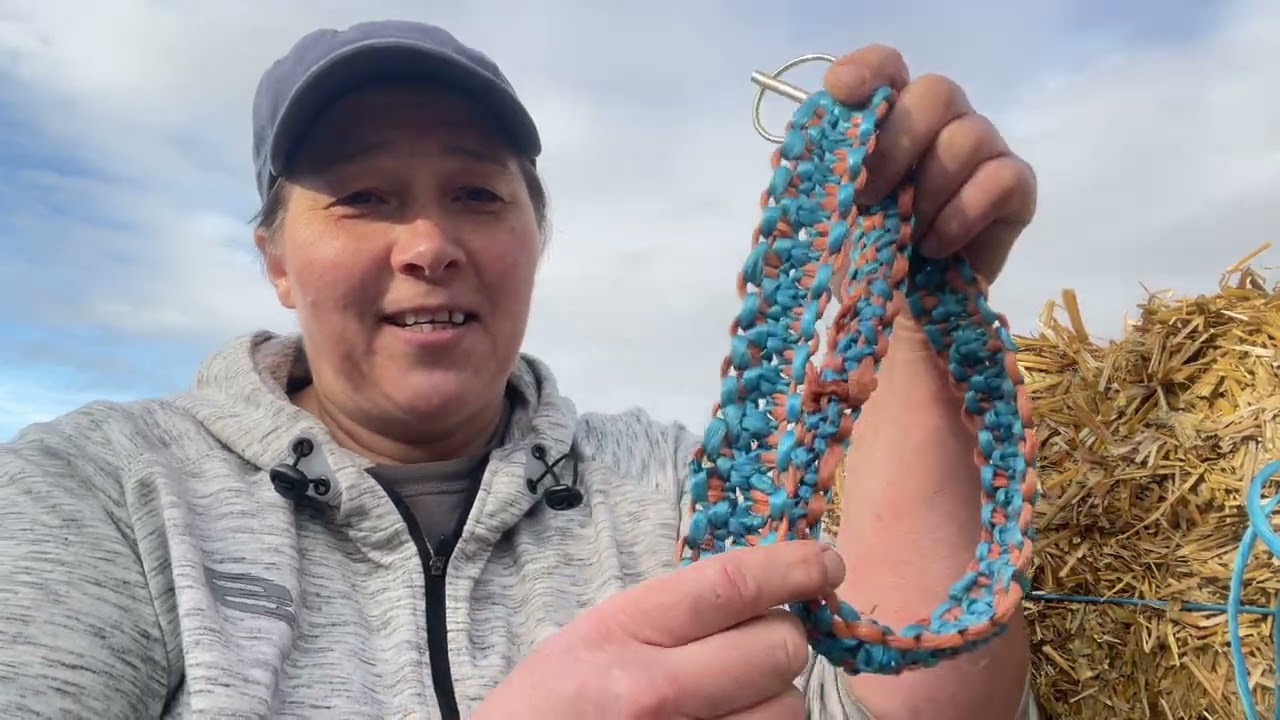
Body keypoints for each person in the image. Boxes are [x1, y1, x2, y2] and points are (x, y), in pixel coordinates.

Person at [0, 19, 1040, 720]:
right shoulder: (100, 492)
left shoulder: (676, 489)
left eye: (477, 195)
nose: (426, 242)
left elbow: (904, 702)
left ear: (538, 235)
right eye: (362, 196)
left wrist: (913, 315)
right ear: (276, 260)